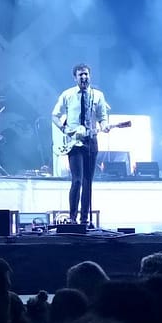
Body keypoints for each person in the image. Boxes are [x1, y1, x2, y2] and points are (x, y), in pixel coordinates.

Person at [52, 64, 110, 226]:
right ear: (75, 78)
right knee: (77, 180)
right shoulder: (67, 95)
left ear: (89, 76)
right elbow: (55, 115)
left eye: (86, 74)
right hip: (74, 143)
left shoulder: (97, 95)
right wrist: (65, 129)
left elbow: (102, 117)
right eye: (80, 75)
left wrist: (104, 125)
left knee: (87, 181)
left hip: (91, 141)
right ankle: (72, 217)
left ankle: (84, 219)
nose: (84, 77)